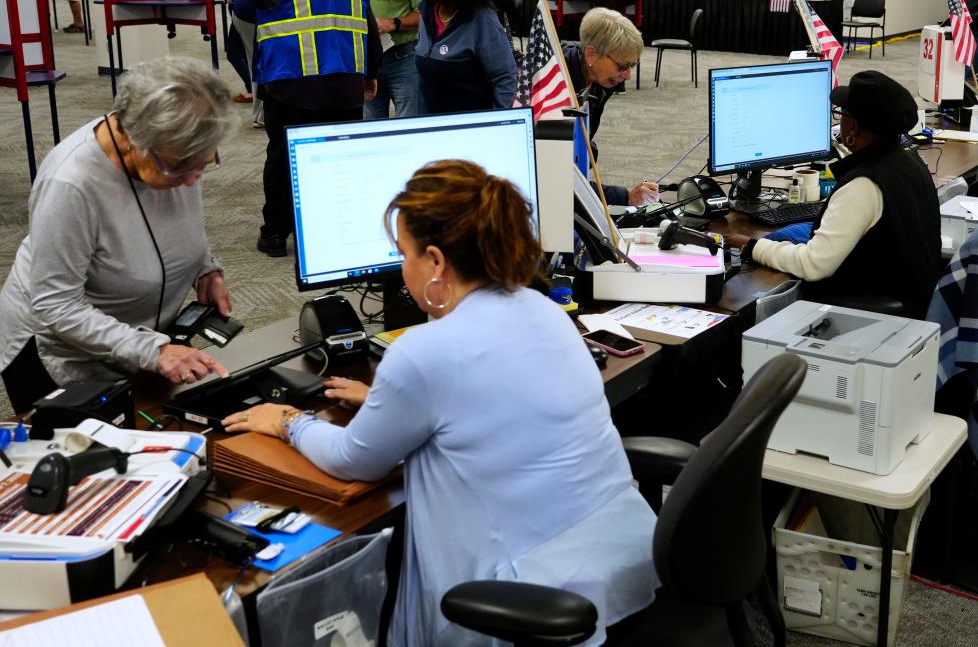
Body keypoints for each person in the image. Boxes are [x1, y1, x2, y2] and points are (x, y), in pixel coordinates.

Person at [222, 159, 659, 647]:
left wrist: (288, 421)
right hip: (619, 572)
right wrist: (394, 403)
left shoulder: (425, 353)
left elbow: (353, 461)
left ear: (435, 262)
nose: (400, 265)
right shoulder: (543, 308)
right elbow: (496, 400)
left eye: (402, 253)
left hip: (521, 603)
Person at [122, 0, 381, 259]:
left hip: (293, 86)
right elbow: (370, 29)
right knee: (336, 160)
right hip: (345, 87)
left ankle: (275, 234)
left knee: (282, 161)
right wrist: (371, 75)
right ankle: (333, 231)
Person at [0, 58, 233, 413]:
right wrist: (152, 350)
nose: (190, 179)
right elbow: (55, 305)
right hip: (59, 355)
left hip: (137, 341)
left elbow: (177, 218)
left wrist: (205, 266)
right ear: (131, 139)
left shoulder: (175, 150)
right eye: (180, 166)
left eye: (202, 163)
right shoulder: (70, 184)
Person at [723, 72, 942, 318]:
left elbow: (813, 265)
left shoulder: (863, 185)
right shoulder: (908, 160)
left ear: (854, 127)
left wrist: (752, 246)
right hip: (915, 299)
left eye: (842, 115)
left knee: (741, 306)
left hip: (870, 317)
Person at [563, 8, 658, 206]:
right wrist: (624, 197)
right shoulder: (557, 90)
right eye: (622, 66)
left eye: (632, 66)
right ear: (591, 55)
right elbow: (559, 179)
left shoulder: (598, 81)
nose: (628, 76)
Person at [414, 0, 517, 114]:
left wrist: (497, 121)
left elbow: (504, 77)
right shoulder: (427, 12)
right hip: (431, 121)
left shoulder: (481, 18)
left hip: (471, 124)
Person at [222, 0, 264, 127]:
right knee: (245, 58)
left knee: (253, 62)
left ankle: (260, 112)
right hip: (241, 17)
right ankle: (258, 110)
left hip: (246, 18)